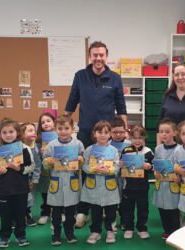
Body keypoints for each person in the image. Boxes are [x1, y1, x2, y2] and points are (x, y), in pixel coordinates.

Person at [65, 41, 127, 227]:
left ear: (106, 56)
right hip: (85, 132)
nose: (98, 58)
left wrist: (123, 132)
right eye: (95, 55)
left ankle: (110, 208)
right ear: (89, 56)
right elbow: (71, 102)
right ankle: (83, 210)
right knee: (86, 170)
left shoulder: (115, 78)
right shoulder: (80, 76)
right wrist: (60, 125)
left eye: (101, 55)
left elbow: (121, 106)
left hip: (107, 135)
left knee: (110, 169)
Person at [0, 118, 34, 248]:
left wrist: (18, 168)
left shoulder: (25, 148)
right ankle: (4, 237)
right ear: (0, 134)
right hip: (4, 191)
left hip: (21, 190)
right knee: (5, 216)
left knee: (20, 215)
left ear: (17, 133)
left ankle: (21, 236)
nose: (8, 135)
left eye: (11, 131)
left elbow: (31, 166)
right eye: (4, 132)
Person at [42, 115, 85, 246]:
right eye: (60, 128)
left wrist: (80, 160)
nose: (64, 131)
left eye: (67, 128)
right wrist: (48, 161)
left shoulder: (78, 144)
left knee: (71, 213)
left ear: (72, 129)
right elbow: (45, 162)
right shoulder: (52, 144)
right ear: (56, 129)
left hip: (72, 182)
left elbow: (83, 160)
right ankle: (55, 235)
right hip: (57, 183)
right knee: (56, 213)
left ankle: (69, 233)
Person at [81, 121, 120, 244]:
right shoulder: (89, 150)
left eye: (106, 132)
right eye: (100, 132)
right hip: (93, 186)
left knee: (111, 211)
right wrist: (93, 169)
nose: (103, 135)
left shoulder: (113, 150)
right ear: (94, 134)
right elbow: (84, 166)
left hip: (109, 186)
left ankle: (110, 231)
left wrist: (109, 170)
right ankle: (95, 231)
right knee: (95, 211)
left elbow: (117, 166)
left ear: (110, 134)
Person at [120, 125, 154, 239]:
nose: (137, 140)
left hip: (142, 187)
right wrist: (120, 165)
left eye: (140, 138)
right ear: (130, 138)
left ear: (144, 139)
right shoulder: (125, 151)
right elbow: (120, 165)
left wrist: (149, 166)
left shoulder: (148, 152)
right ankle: (129, 228)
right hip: (128, 187)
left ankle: (141, 228)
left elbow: (154, 167)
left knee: (143, 209)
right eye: (134, 138)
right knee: (127, 209)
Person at [152, 118, 180, 240]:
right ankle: (167, 230)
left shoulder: (179, 149)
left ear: (174, 133)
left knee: (173, 210)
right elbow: (156, 165)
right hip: (161, 185)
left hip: (173, 185)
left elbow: (182, 167)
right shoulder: (158, 149)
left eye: (167, 131)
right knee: (162, 208)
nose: (163, 134)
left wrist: (179, 176)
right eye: (161, 131)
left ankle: (176, 231)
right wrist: (155, 172)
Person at [109, 116, 131, 231]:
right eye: (115, 132)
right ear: (110, 132)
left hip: (126, 177)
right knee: (112, 201)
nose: (118, 134)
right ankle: (111, 222)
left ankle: (124, 221)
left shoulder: (129, 144)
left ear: (125, 131)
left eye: (121, 132)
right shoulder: (107, 144)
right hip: (111, 177)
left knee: (125, 201)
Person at [35, 112, 56, 225]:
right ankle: (45, 212)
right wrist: (40, 152)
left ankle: (60, 211)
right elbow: (35, 157)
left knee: (58, 190)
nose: (46, 124)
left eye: (48, 121)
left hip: (58, 170)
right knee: (45, 192)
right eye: (43, 122)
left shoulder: (61, 136)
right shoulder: (39, 140)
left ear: (54, 122)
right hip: (45, 171)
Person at [20, 122, 42, 227]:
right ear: (22, 134)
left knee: (30, 197)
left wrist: (34, 179)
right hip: (19, 177)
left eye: (34, 130)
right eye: (30, 130)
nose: (34, 132)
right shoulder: (18, 147)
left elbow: (38, 165)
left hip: (30, 178)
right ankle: (18, 216)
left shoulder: (36, 147)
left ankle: (27, 214)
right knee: (19, 197)